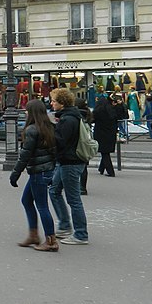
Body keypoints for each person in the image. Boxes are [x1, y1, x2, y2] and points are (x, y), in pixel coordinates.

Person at [9, 99, 57, 251]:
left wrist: (15, 173)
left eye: (27, 110)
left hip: (38, 171)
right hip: (46, 170)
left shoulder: (31, 130)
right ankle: (34, 234)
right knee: (27, 200)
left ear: (32, 113)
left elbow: (25, 154)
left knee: (42, 206)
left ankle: (51, 241)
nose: (25, 112)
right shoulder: (49, 127)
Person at [48, 87, 89, 245]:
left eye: (54, 101)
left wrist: (51, 126)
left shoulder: (68, 119)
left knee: (73, 199)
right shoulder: (69, 116)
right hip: (67, 161)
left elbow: (60, 141)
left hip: (70, 162)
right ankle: (65, 225)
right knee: (54, 191)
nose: (51, 103)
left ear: (62, 103)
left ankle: (80, 234)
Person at [93, 96, 117, 177]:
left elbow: (92, 119)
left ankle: (110, 171)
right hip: (110, 133)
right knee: (105, 151)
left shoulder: (98, 111)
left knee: (104, 153)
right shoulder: (111, 110)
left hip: (101, 133)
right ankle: (101, 168)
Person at [76, 98, 93, 195]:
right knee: (84, 167)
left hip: (78, 142)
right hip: (86, 142)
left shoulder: (77, 114)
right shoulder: (88, 113)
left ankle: (76, 186)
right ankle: (83, 187)